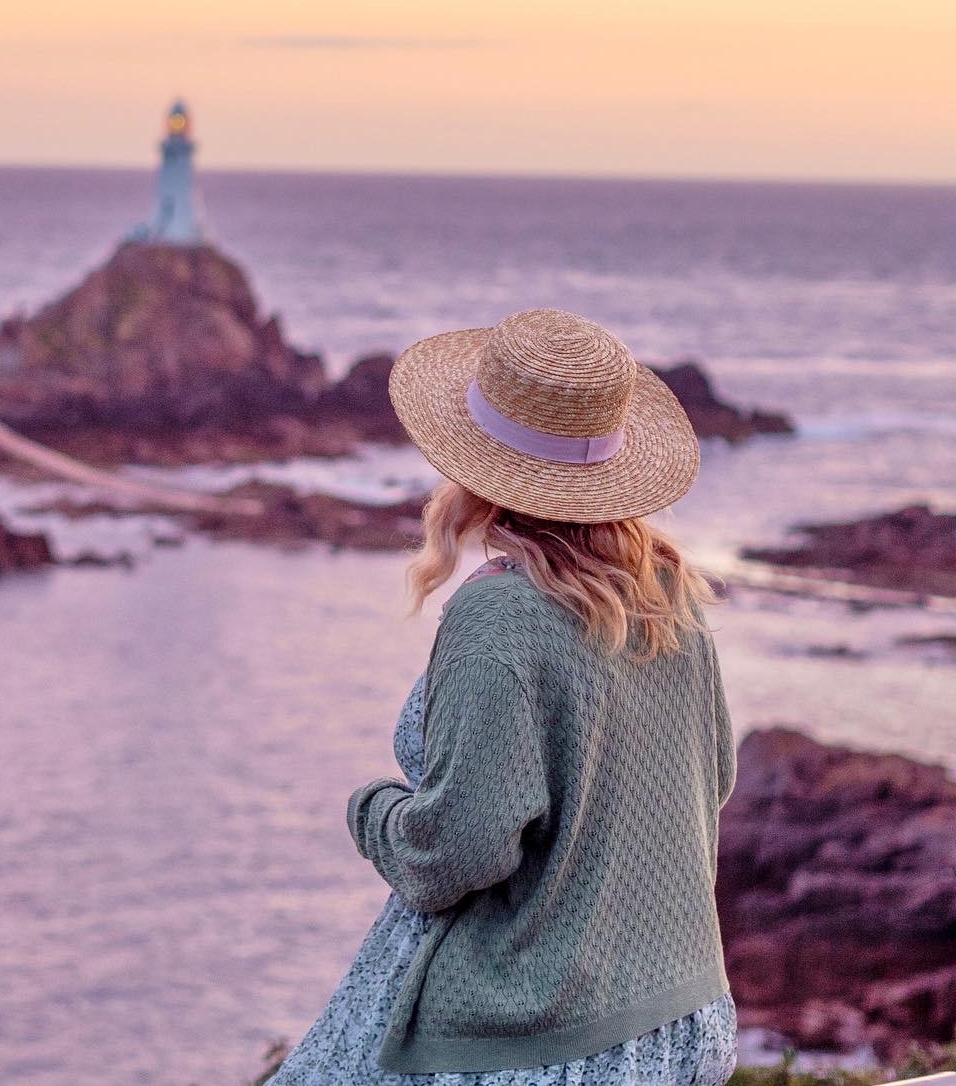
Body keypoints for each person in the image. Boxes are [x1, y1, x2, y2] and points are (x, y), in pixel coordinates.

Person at [271, 308, 739, 1086]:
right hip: (683, 1020)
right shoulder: (671, 591)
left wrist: (374, 814)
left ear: (477, 464)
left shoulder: (498, 615)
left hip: (546, 1042)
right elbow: (711, 779)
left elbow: (458, 851)